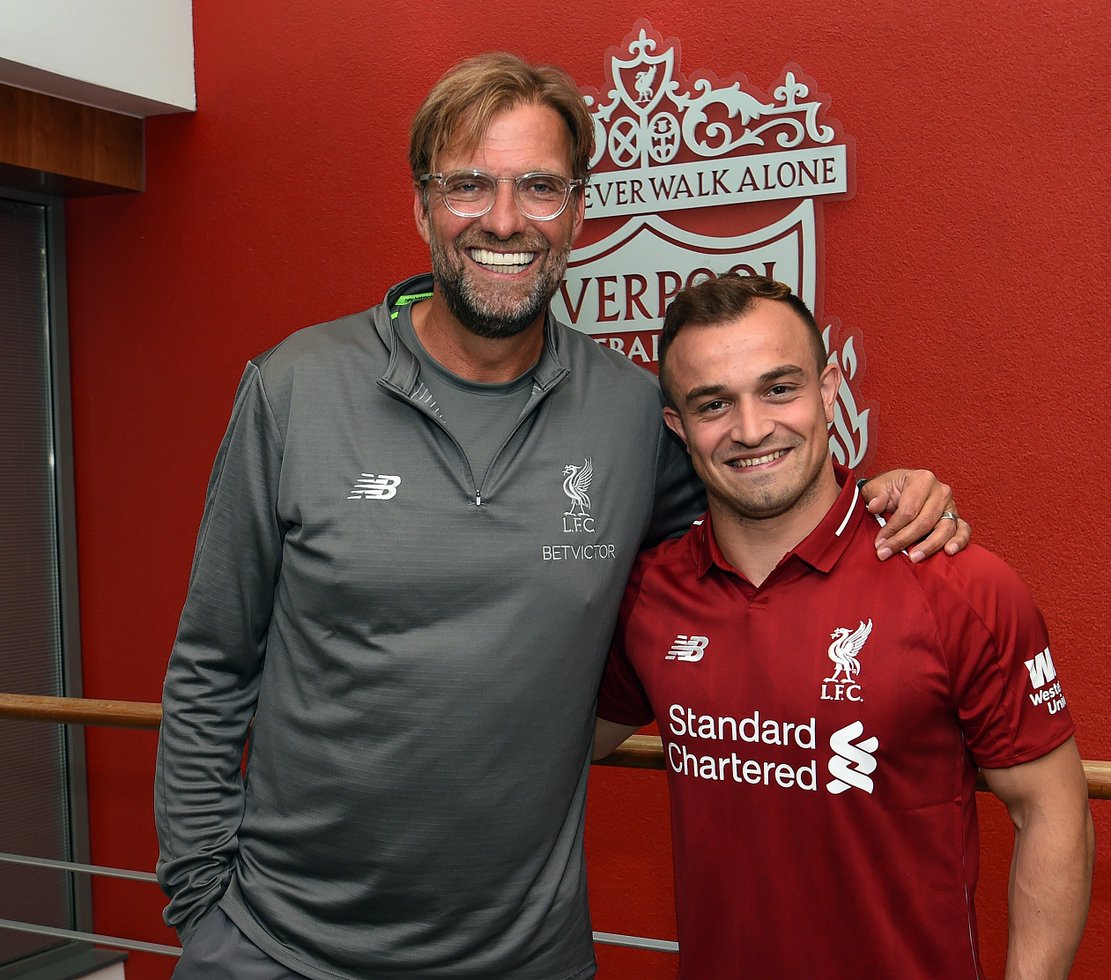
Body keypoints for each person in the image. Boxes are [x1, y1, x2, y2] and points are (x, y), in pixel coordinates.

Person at [154, 54, 969, 980]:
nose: (504, 221)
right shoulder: (295, 389)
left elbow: (760, 503)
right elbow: (213, 661)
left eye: (539, 187)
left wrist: (883, 496)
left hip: (526, 956)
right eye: (469, 185)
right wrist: (202, 905)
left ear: (578, 212)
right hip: (276, 949)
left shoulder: (630, 413)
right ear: (422, 207)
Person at [594, 272, 1094, 979]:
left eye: (779, 389)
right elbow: (557, 746)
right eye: (714, 404)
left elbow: (1053, 812)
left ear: (829, 391)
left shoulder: (956, 585)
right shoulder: (653, 592)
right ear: (678, 427)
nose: (751, 429)